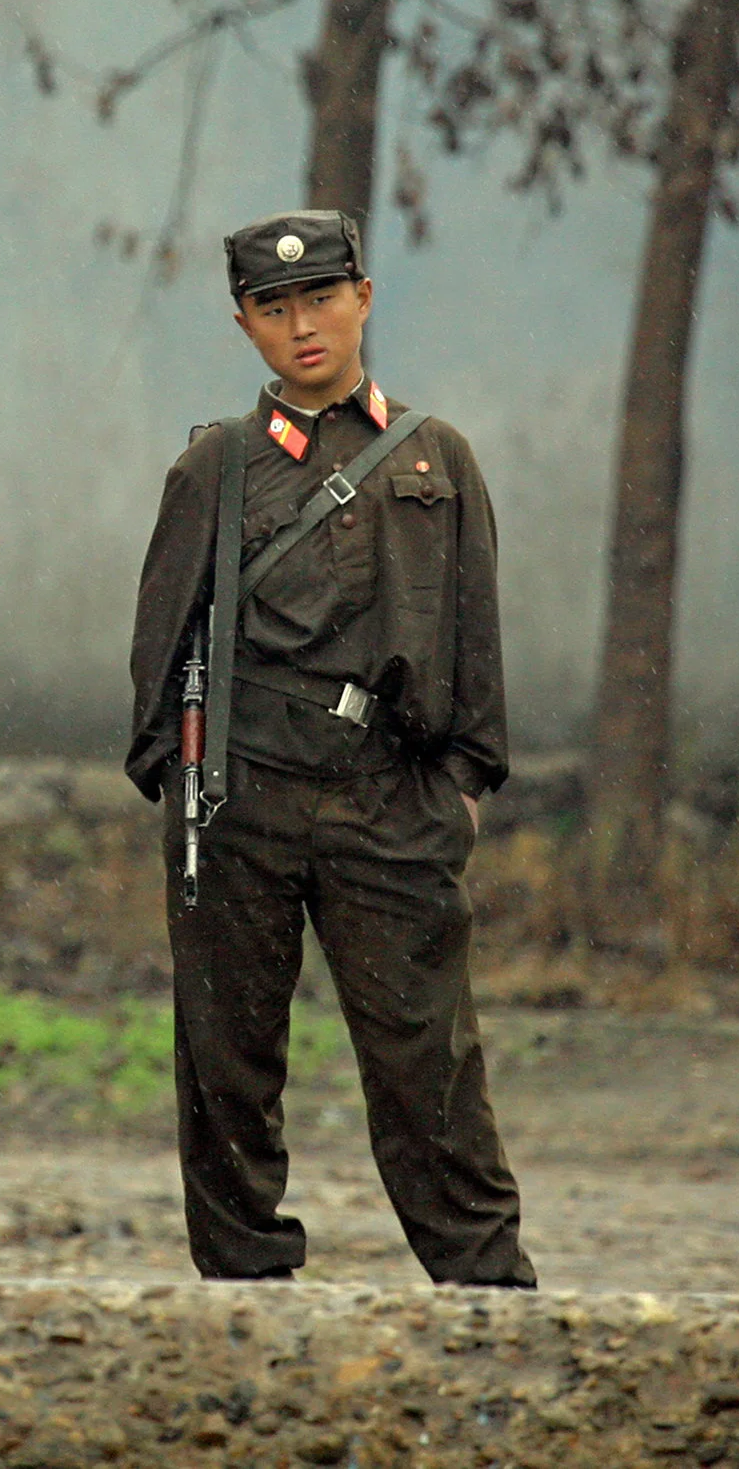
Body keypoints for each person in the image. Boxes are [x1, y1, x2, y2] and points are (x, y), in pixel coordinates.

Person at [126, 209, 535, 1288]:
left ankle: (484, 1278)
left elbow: (475, 635)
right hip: (243, 792)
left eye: (319, 298)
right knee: (226, 1058)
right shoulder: (215, 465)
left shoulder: (434, 457)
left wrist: (461, 786)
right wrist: (185, 783)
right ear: (243, 323)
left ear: (361, 296)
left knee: (426, 1057)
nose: (301, 325)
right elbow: (158, 646)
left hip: (389, 795)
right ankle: (244, 1277)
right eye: (274, 307)